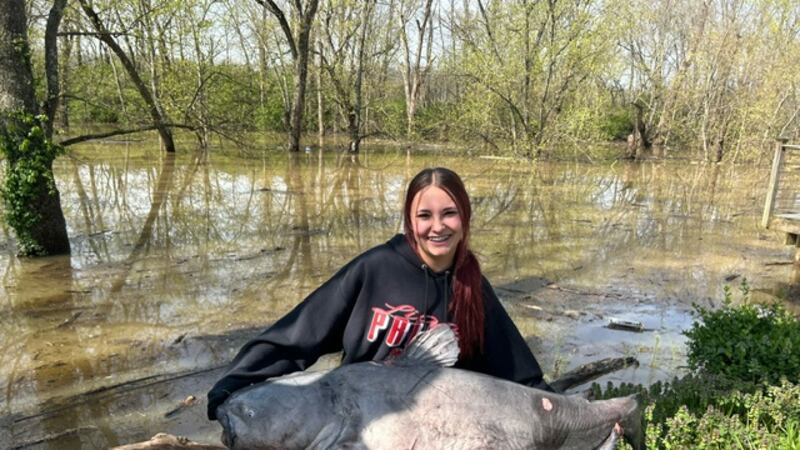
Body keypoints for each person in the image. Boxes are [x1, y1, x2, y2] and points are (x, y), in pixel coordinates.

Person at [207, 167, 551, 420]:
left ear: (465, 218)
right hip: (360, 423)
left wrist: (560, 409)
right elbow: (298, 335)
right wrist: (234, 382)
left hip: (436, 429)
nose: (437, 226)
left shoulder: (473, 287)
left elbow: (519, 373)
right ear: (410, 221)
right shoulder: (375, 268)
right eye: (425, 215)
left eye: (449, 213)